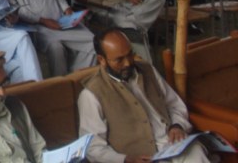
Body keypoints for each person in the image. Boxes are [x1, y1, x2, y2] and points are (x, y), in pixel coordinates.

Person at [78, 28, 210, 163]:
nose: (128, 63)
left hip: (172, 145)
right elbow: (92, 147)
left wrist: (177, 125)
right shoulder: (91, 95)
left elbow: (174, 104)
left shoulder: (148, 70)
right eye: (119, 60)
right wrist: (125, 159)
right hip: (140, 158)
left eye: (130, 54)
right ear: (102, 60)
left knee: (196, 153)